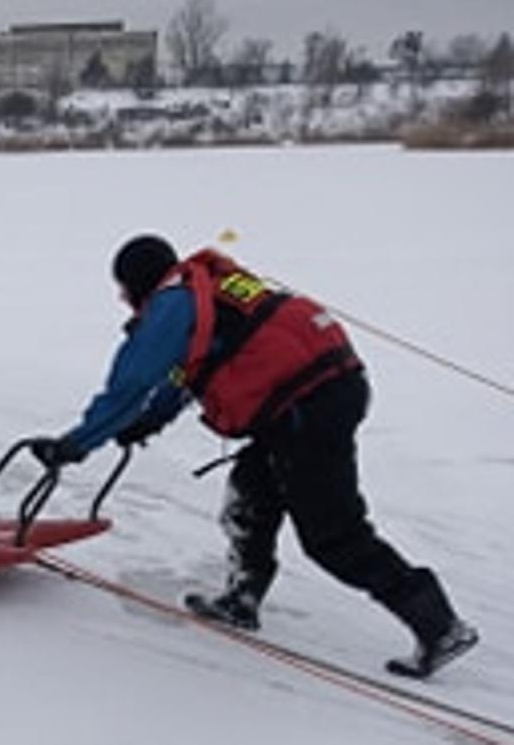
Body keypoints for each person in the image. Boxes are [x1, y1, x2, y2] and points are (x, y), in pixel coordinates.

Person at [28, 234, 477, 678]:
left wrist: (76, 443)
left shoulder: (171, 305)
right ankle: (242, 599)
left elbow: (132, 382)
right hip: (316, 395)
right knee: (252, 493)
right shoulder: (202, 291)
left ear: (137, 283)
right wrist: (150, 421)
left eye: (122, 287)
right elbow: (192, 369)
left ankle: (439, 625)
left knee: (332, 535)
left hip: (307, 406)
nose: (122, 298)